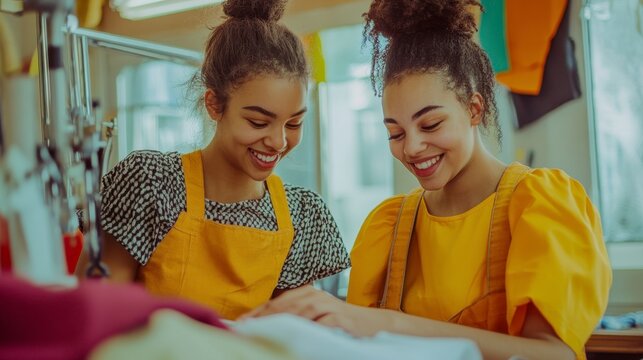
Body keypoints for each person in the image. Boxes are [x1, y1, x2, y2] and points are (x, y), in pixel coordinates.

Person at [241, 1, 611, 359]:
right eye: (395, 133)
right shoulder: (388, 225)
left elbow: (551, 354)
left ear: (474, 108)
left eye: (430, 124)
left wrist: (383, 323)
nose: (413, 147)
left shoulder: (539, 203)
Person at [75, 0, 350, 320]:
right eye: (258, 122)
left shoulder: (302, 216)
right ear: (214, 105)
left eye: (294, 124)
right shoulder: (151, 185)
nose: (279, 142)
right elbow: (96, 317)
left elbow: (293, 334)